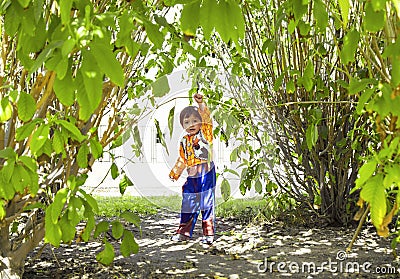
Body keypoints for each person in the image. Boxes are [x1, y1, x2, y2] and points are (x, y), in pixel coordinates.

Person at [169, 93, 216, 245]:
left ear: (201, 123)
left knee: (206, 202)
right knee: (188, 201)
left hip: (206, 173)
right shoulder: (183, 140)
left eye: (195, 121)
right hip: (192, 176)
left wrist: (201, 105)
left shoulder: (205, 134)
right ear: (183, 125)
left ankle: (208, 234)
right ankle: (184, 232)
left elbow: (207, 120)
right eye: (187, 121)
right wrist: (175, 172)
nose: (191, 124)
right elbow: (183, 159)